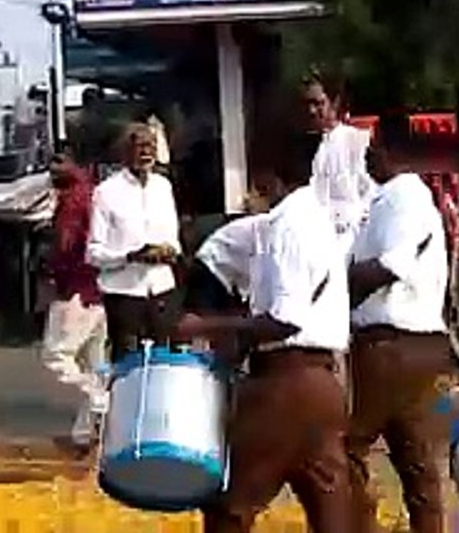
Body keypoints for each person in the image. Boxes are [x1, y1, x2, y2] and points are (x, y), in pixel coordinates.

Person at [175, 135, 351, 533]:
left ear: (268, 178)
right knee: (331, 514)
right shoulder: (319, 219)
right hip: (325, 384)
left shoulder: (285, 225)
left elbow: (284, 319)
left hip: (286, 381)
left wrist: (204, 326)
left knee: (229, 508)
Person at [345, 115, 451, 533]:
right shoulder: (398, 199)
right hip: (421, 344)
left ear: (391, 151)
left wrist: (339, 284)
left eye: (374, 148)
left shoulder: (400, 196)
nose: (368, 158)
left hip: (390, 343)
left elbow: (392, 264)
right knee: (417, 460)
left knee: (348, 447)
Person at [87, 122, 182, 361]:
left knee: (164, 360)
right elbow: (93, 253)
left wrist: (170, 251)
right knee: (128, 362)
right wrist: (130, 257)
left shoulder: (163, 187)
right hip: (124, 292)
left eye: (150, 146)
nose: (146, 152)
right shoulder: (106, 192)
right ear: (125, 152)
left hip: (161, 288)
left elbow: (172, 236)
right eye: (139, 146)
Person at [45, 151, 108, 449]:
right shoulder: (97, 195)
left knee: (57, 357)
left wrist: (53, 271)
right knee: (95, 363)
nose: (52, 168)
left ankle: (99, 400)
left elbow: (66, 244)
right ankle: (86, 432)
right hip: (99, 288)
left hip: (76, 289)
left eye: (59, 160)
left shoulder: (74, 199)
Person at [302, 71, 375, 251]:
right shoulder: (314, 148)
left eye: (318, 103)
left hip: (352, 242)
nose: (312, 111)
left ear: (334, 102)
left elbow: (371, 194)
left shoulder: (356, 141)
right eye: (307, 104)